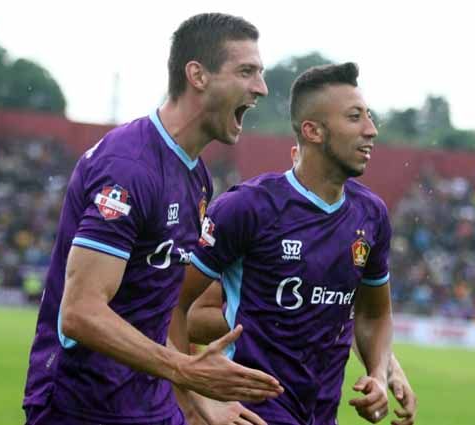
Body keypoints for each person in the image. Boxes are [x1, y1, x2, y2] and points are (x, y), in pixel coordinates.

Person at [22, 13, 283, 425]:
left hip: (151, 405)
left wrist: (197, 400)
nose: (261, 88)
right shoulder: (128, 167)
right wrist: (185, 370)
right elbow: (81, 312)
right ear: (197, 74)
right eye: (246, 71)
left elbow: (155, 308)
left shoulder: (196, 177)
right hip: (82, 407)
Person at [170, 62, 396, 424]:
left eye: (369, 117)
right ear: (313, 131)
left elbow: (373, 313)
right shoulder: (247, 208)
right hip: (250, 412)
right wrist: (197, 400)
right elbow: (171, 306)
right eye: (355, 118)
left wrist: (380, 374)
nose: (371, 130)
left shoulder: (371, 215)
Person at [185, 145, 417, 425]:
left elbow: (338, 308)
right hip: (252, 397)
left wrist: (385, 368)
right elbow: (190, 318)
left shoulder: (362, 217)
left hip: (318, 403)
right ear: (297, 153)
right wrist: (275, 323)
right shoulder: (250, 216)